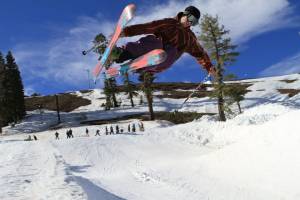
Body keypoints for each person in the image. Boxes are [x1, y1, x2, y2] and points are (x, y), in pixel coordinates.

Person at [111, 6, 216, 77]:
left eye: (194, 22)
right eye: (191, 19)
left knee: (171, 52)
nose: (190, 23)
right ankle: (120, 54)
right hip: (150, 47)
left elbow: (200, 53)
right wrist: (126, 32)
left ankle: (137, 66)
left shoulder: (190, 38)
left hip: (160, 61)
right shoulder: (169, 23)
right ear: (185, 14)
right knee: (156, 43)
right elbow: (148, 27)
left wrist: (209, 66)